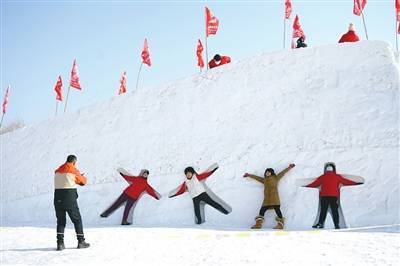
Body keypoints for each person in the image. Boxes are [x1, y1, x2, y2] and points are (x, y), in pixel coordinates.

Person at [305, 162, 360, 229]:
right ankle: (337, 224)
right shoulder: (337, 177)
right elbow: (346, 181)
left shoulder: (322, 177)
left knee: (323, 210)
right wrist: (355, 183)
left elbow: (315, 183)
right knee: (334, 210)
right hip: (334, 196)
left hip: (324, 196)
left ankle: (320, 223)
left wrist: (307, 185)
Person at [54, 155, 90, 251]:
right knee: (77, 220)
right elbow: (83, 182)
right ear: (74, 162)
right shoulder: (73, 170)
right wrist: (82, 177)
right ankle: (81, 241)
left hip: (57, 198)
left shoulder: (57, 171)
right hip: (69, 198)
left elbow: (65, 180)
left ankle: (60, 244)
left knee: (61, 221)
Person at [243, 163, 295, 230]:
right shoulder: (264, 180)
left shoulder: (276, 178)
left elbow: (283, 172)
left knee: (277, 210)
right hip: (267, 199)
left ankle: (280, 225)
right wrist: (249, 175)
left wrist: (289, 167)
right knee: (262, 210)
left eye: (269, 172)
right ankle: (258, 224)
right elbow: (258, 178)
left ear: (271, 173)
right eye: (266, 172)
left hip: (274, 198)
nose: (267, 173)